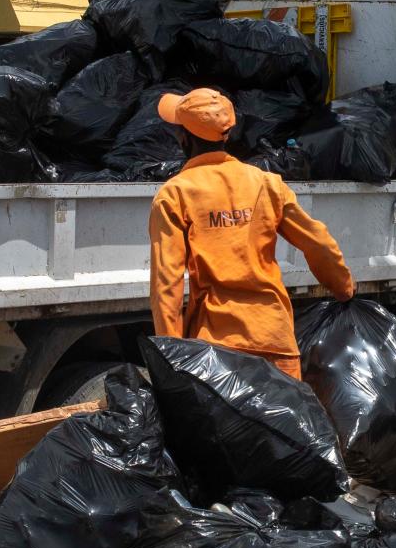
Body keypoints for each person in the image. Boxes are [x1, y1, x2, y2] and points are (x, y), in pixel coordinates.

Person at [148, 88, 354, 379]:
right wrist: (343, 288)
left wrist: (172, 354)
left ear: (184, 137)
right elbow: (317, 241)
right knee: (288, 424)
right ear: (226, 135)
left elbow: (166, 286)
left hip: (217, 351)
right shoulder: (267, 184)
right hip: (275, 340)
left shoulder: (175, 194)